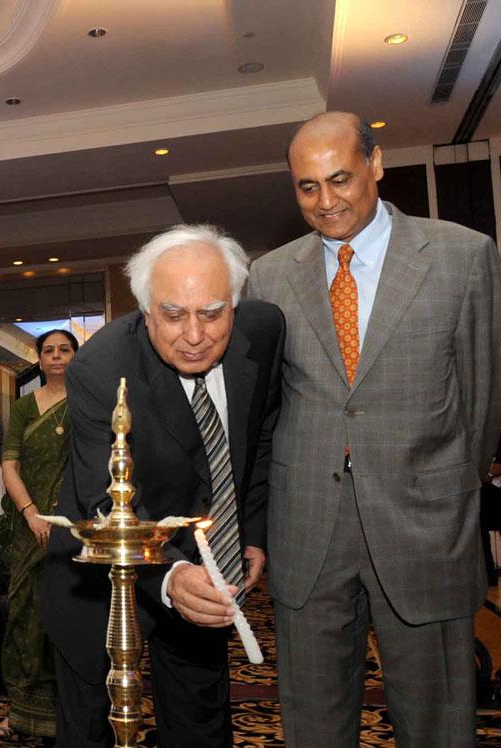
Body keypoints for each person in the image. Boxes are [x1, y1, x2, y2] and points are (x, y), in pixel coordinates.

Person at [246, 111, 501, 748]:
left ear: (377, 164)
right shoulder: (268, 276)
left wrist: (444, 486)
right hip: (308, 525)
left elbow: (483, 402)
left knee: (438, 721)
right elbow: (268, 409)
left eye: (341, 179)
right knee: (314, 721)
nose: (326, 201)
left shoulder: (462, 256)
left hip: (425, 523)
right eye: (307, 187)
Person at [42, 225, 285, 748]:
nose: (194, 335)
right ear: (147, 310)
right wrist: (172, 573)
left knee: (200, 721)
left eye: (212, 313)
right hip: (102, 573)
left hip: (207, 559)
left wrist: (253, 532)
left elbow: (260, 437)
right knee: (94, 730)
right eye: (173, 316)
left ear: (236, 307)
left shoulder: (264, 332)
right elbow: (103, 496)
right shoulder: (100, 369)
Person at [0, 329, 79, 742]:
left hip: (75, 530)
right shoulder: (26, 408)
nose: (57, 356)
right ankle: (22, 712)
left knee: (72, 616)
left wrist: (70, 514)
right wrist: (31, 515)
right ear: (40, 360)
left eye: (65, 350)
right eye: (49, 351)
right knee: (27, 615)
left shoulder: (87, 405)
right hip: (31, 529)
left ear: (75, 357)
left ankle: (75, 710)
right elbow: (9, 466)